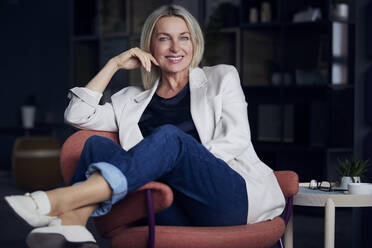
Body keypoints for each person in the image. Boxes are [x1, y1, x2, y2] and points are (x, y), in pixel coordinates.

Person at [5, 4, 285, 248]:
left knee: (171, 139)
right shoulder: (130, 100)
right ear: (150, 47)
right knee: (95, 145)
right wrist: (114, 64)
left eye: (183, 38)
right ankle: (74, 222)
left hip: (226, 199)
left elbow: (236, 139)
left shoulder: (221, 78)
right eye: (164, 39)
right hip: (172, 207)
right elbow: (78, 115)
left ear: (194, 44)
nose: (175, 48)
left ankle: (59, 201)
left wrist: (173, 162)